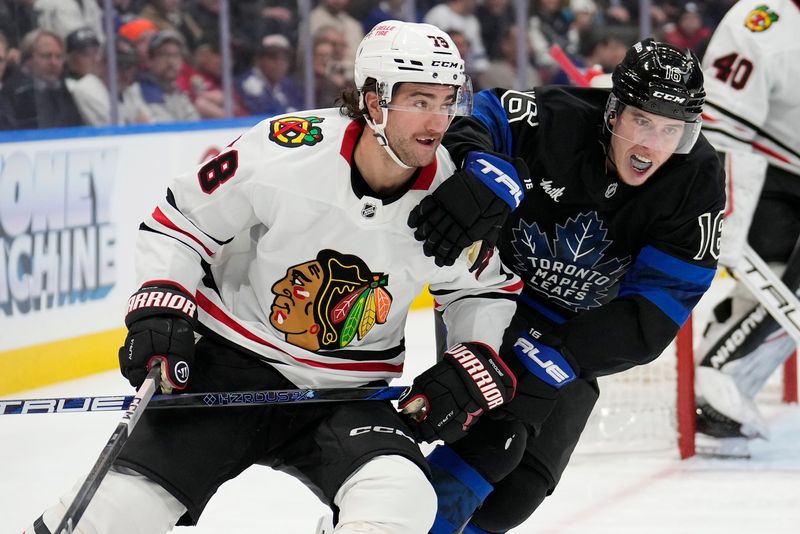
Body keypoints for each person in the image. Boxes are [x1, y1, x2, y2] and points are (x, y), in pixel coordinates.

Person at [25, 21, 522, 534]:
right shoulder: (289, 149)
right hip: (231, 366)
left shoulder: (454, 196)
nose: (438, 121)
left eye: (447, 101)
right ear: (374, 101)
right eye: (420, 101)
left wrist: (474, 354)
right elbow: (183, 221)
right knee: (114, 514)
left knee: (400, 500)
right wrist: (163, 301)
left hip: (347, 393)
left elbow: (482, 288)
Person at [401, 38, 726, 533]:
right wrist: (479, 164)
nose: (652, 145)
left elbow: (658, 309)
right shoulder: (556, 118)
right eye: (642, 120)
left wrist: (564, 358)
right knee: (494, 444)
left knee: (519, 493)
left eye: (671, 131)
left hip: (577, 338)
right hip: (493, 299)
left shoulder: (697, 181)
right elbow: (477, 114)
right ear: (614, 113)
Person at [693, 0, 800, 457]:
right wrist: (727, 220)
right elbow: (721, 134)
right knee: (773, 283)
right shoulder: (763, 18)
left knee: (779, 291)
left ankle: (722, 384)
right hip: (771, 178)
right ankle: (715, 387)